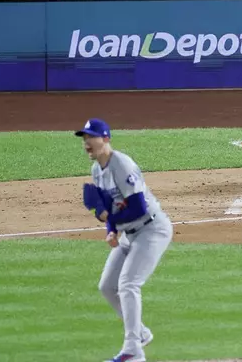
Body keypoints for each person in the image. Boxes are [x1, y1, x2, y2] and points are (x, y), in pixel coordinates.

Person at [77, 118, 173, 362]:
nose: (87, 142)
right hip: (130, 234)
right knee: (107, 286)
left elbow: (138, 207)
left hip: (152, 229)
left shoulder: (121, 164)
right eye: (84, 138)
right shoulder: (97, 170)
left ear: (106, 138)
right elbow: (110, 206)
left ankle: (133, 350)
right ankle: (140, 333)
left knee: (129, 283)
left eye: (91, 137)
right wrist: (110, 228)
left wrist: (110, 219)